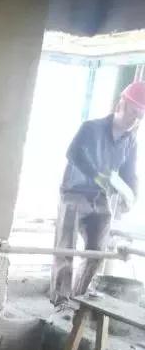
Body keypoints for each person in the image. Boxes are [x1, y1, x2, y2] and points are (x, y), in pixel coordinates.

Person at [50, 81, 145, 306]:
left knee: (97, 252)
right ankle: (61, 302)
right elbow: (73, 153)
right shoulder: (91, 128)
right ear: (121, 105)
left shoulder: (130, 141)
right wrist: (97, 175)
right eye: (133, 112)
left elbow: (129, 173)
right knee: (65, 249)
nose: (135, 119)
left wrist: (132, 195)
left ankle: (77, 299)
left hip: (99, 198)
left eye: (140, 115)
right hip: (74, 193)